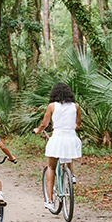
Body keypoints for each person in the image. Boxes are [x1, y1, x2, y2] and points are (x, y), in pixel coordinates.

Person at [33, 81, 82, 211]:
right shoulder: (75, 106)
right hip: (71, 138)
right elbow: (78, 125)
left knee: (51, 166)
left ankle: (49, 200)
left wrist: (38, 130)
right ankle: (71, 175)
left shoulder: (52, 106)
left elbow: (44, 124)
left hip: (58, 138)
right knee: (68, 156)